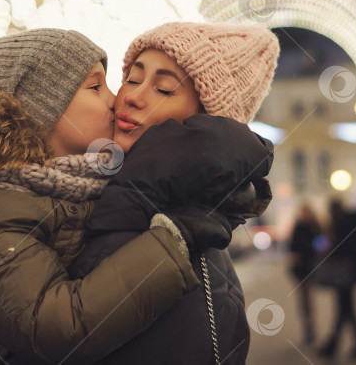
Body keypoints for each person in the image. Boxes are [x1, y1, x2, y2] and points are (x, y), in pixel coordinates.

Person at [0, 29, 269, 364]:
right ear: (41, 106)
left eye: (164, 89)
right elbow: (57, 327)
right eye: (96, 86)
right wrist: (173, 242)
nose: (119, 98)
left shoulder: (87, 186)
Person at [69, 21, 280, 365]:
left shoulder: (177, 241)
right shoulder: (99, 183)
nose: (133, 97)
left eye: (165, 90)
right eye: (132, 79)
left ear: (205, 123)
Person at [317, 198, 356, 359]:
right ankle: (352, 343)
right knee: (347, 309)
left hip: (342, 274)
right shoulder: (349, 223)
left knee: (344, 308)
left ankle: (334, 345)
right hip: (349, 273)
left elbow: (334, 248)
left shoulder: (339, 226)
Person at [288, 203, 321, 344]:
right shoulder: (298, 227)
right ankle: (308, 327)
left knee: (307, 298)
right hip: (301, 269)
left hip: (312, 266)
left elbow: (321, 244)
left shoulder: (315, 227)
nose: (304, 215)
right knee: (304, 298)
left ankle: (310, 327)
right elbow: (292, 247)